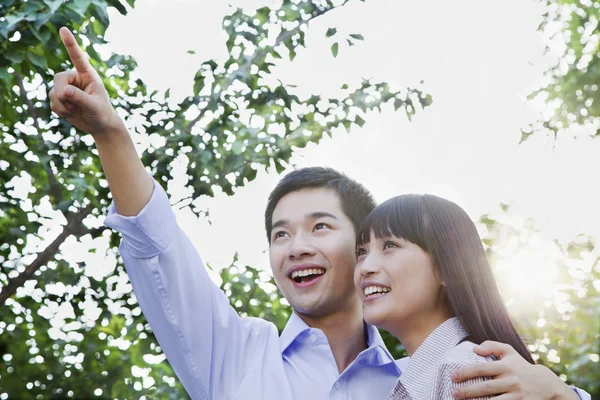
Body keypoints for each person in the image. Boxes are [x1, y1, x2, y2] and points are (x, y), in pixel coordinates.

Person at [49, 27, 590, 400]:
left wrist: (561, 392)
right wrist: (111, 136)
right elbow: (160, 252)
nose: (295, 246)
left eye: (320, 227)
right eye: (279, 234)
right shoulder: (236, 355)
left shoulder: (430, 377)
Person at [354, 194, 572, 399]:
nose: (366, 267)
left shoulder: (461, 369)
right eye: (361, 252)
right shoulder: (434, 371)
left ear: (445, 268)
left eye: (390, 245)